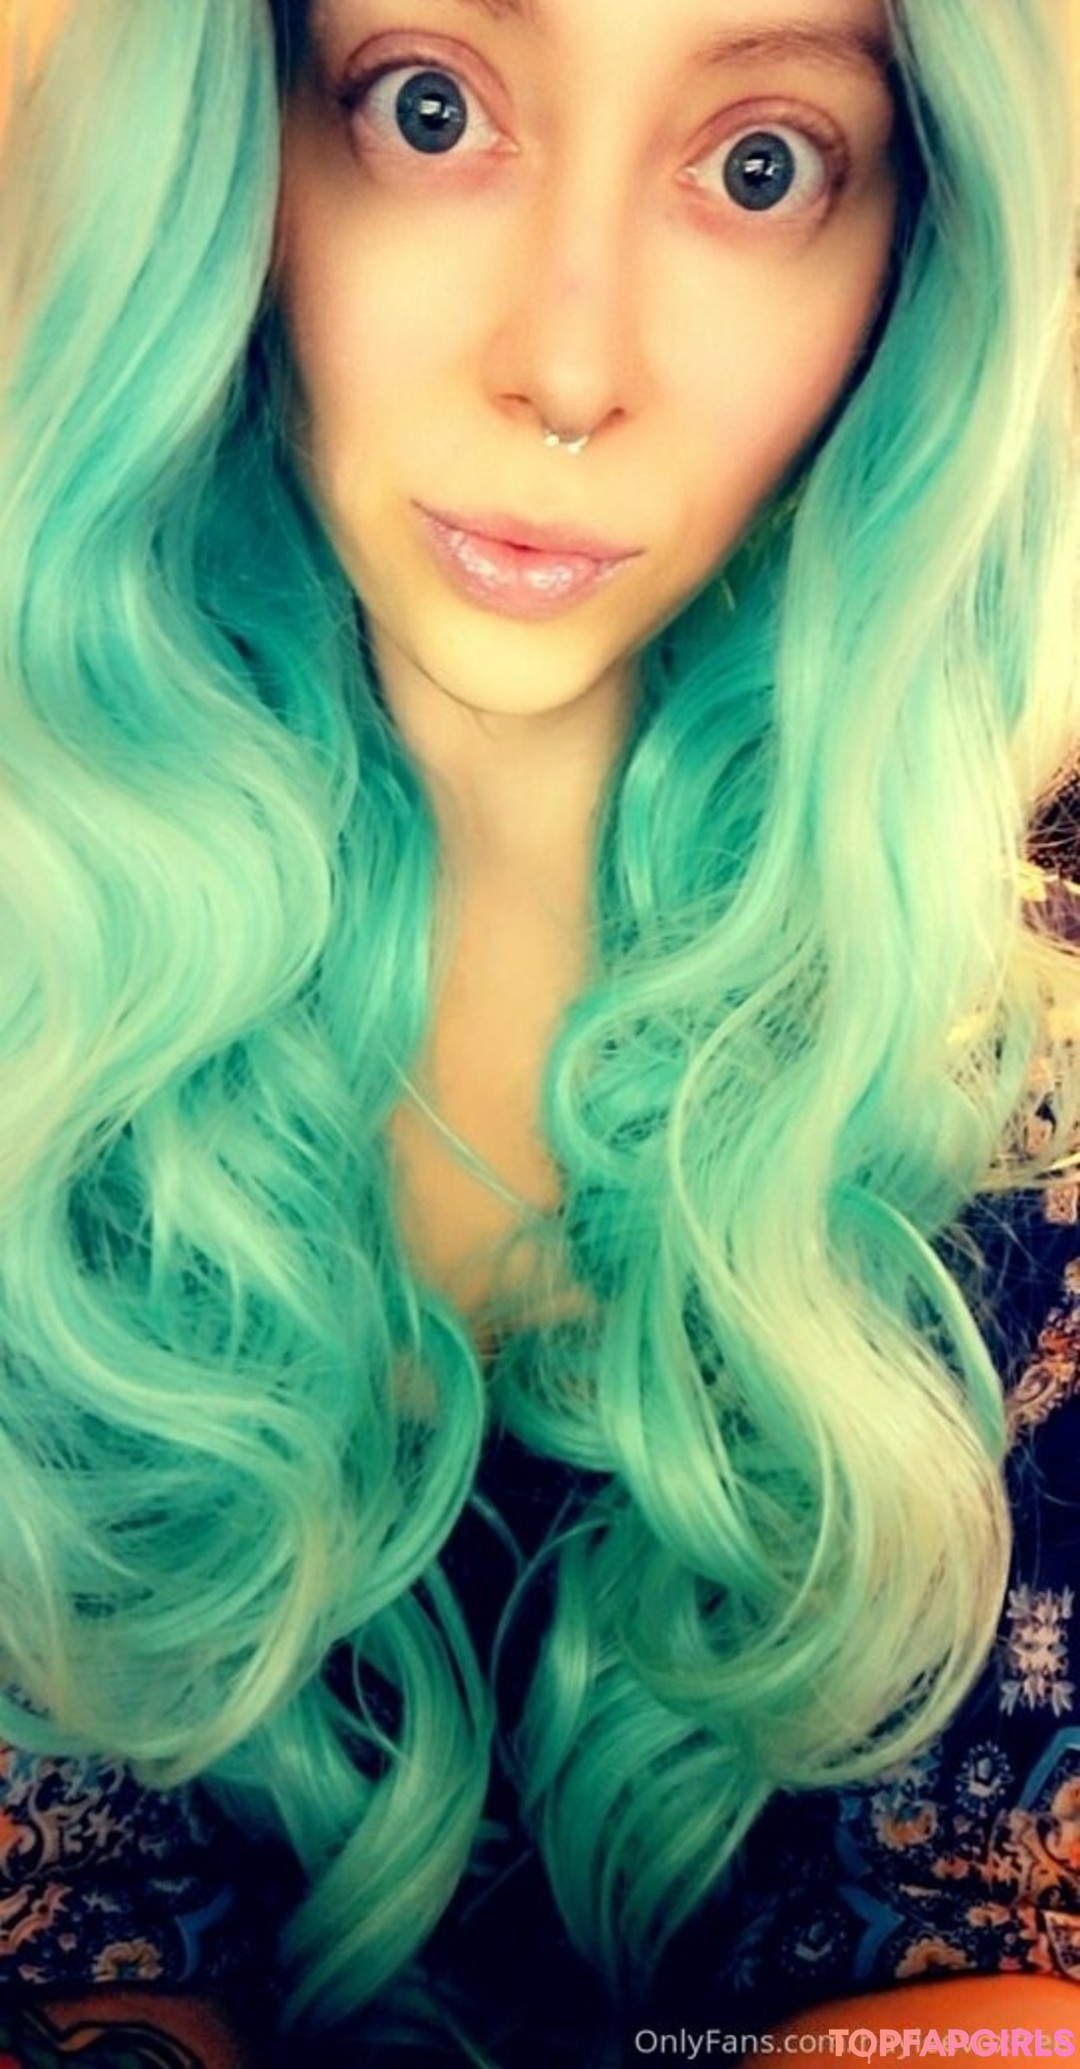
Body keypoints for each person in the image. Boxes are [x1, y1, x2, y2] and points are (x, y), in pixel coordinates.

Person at [0, 0, 1078, 2062]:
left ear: (912, 254)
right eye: (430, 110)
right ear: (235, 157)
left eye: (760, 168)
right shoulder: (36, 1006)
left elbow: (984, 1988)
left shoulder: (1029, 1107)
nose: (570, 372)